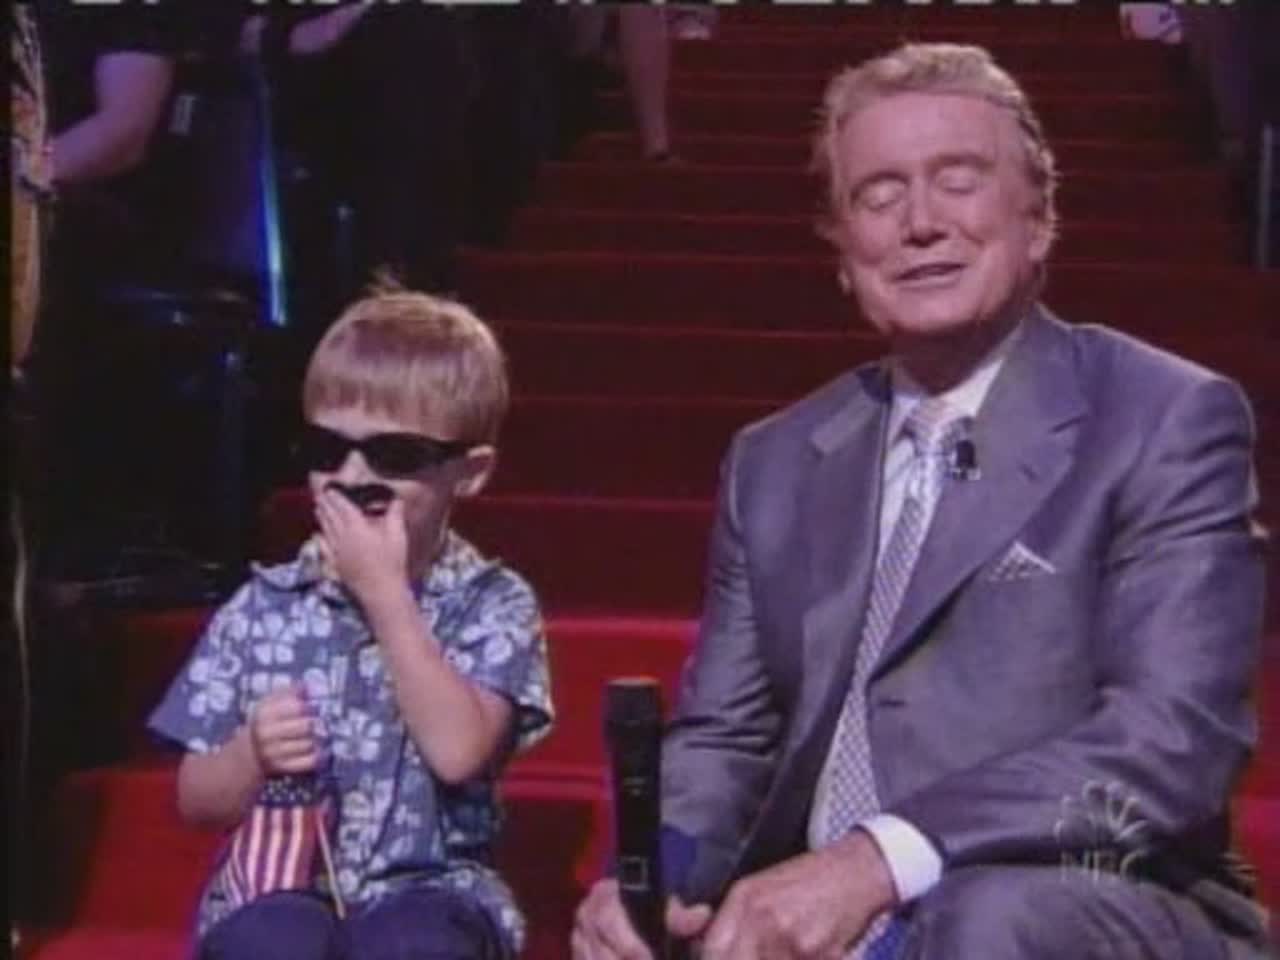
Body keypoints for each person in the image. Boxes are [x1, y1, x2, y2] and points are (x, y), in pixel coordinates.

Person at [572, 42, 1271, 959]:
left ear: (1038, 219)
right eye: (879, 195)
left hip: (1077, 899)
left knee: (988, 918)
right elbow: (725, 740)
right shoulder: (773, 461)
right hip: (823, 912)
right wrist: (654, 875)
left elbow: (1171, 741)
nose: (921, 223)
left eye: (959, 180)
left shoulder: (1162, 419)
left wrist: (882, 858)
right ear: (841, 250)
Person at [149, 287, 554, 959]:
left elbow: (458, 753)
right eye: (326, 448)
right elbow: (196, 802)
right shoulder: (263, 605)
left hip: (433, 889)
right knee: (269, 943)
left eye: (395, 456)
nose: (352, 475)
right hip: (279, 887)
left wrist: (385, 595)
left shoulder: (491, 603)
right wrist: (249, 754)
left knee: (411, 943)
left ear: (469, 472)